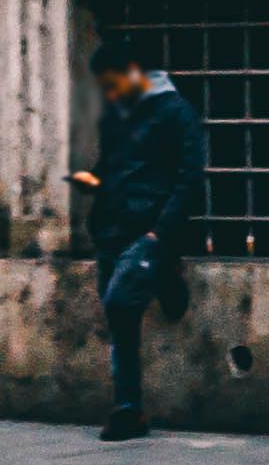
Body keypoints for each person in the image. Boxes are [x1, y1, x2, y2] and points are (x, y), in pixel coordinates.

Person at [71, 38, 206, 439]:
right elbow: (111, 166)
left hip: (149, 231)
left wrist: (160, 232)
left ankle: (165, 274)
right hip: (112, 229)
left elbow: (189, 177)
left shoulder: (176, 112)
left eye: (113, 83)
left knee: (119, 301)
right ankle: (128, 409)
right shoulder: (119, 114)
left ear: (134, 75)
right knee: (120, 320)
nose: (109, 93)